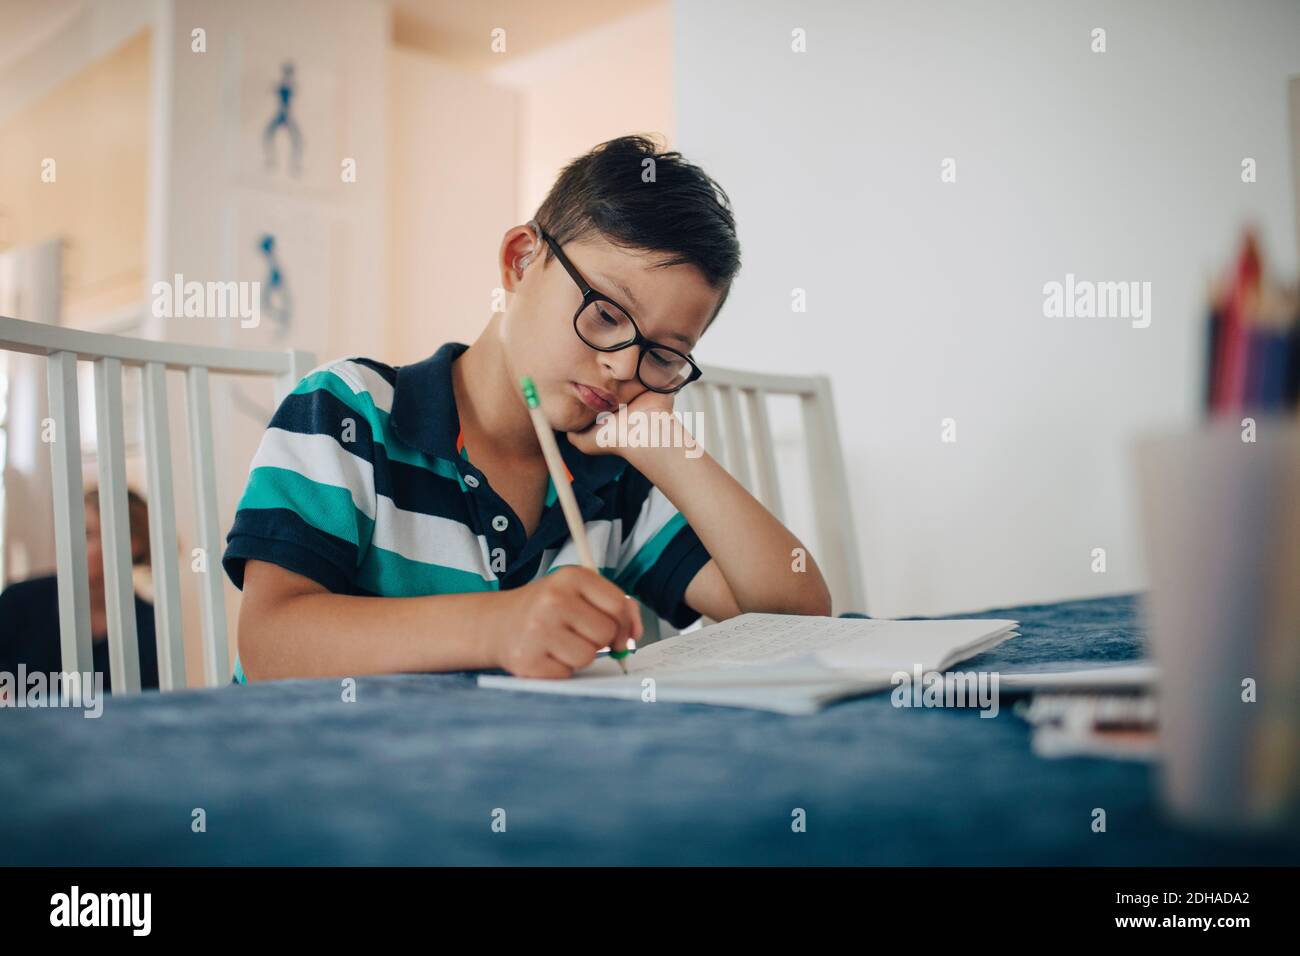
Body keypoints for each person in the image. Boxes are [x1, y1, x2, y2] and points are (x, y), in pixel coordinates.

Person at [223, 134, 833, 684]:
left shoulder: (610, 478)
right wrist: (497, 626)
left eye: (663, 354)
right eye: (606, 314)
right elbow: (270, 643)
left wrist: (668, 447)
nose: (624, 366)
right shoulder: (348, 412)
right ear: (520, 261)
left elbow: (795, 616)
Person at [0, 488, 159, 691]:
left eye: (87, 534)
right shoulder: (18, 601)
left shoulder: (148, 625)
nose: (71, 546)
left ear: (130, 545)